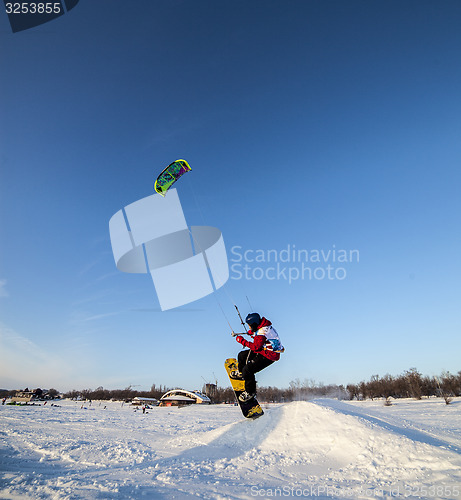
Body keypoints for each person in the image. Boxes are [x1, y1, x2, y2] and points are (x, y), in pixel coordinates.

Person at [231, 312, 284, 402]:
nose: (249, 327)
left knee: (248, 370)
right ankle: (241, 373)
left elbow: (256, 347)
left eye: (249, 325)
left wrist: (242, 341)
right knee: (242, 355)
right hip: (264, 351)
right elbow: (258, 335)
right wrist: (251, 332)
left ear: (254, 324)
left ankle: (250, 393)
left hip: (270, 355)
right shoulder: (263, 326)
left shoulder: (262, 332)